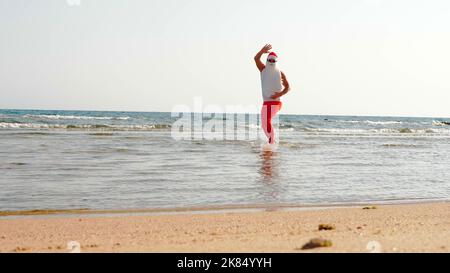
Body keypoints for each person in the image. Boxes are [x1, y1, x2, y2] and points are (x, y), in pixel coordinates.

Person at [254, 44, 291, 144]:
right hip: (266, 103)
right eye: (269, 60)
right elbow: (256, 58)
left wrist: (279, 94)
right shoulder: (263, 70)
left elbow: (288, 87)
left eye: (273, 61)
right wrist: (262, 51)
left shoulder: (280, 73)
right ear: (267, 60)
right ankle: (271, 141)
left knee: (266, 121)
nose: (271, 62)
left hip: (275, 103)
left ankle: (272, 141)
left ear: (276, 61)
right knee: (263, 124)